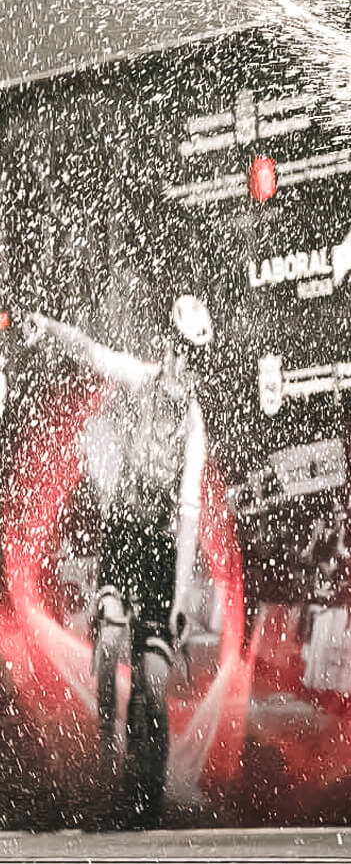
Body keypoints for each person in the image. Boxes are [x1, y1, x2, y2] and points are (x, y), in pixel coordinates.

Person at [24, 294, 212, 824]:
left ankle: (148, 791)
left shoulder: (193, 423)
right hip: (126, 532)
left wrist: (180, 598)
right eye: (182, 353)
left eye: (195, 359)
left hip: (159, 550)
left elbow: (189, 517)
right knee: (108, 639)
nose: (186, 366)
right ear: (170, 348)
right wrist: (48, 325)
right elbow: (90, 350)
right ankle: (109, 738)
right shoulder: (142, 377)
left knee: (151, 685)